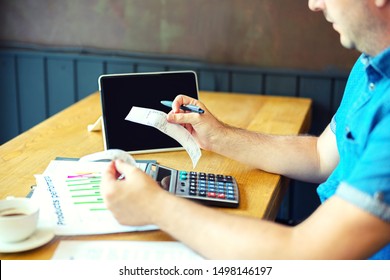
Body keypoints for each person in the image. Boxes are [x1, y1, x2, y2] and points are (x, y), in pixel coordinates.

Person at [101, 0, 390, 259]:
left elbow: (304, 253)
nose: (314, 4)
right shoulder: (371, 66)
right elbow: (321, 155)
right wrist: (219, 135)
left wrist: (154, 206)